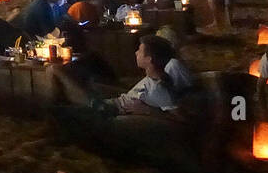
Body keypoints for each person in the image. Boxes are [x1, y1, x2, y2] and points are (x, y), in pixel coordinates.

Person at [51, 34, 183, 116]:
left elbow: (178, 117)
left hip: (107, 110)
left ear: (149, 59)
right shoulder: (153, 78)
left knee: (55, 70)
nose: (136, 53)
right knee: (84, 77)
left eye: (140, 51)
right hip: (112, 103)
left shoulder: (159, 88)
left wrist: (148, 111)